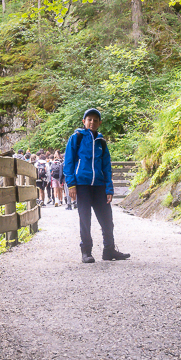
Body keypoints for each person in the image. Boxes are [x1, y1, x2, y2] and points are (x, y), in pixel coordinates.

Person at [64, 108, 129, 263]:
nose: (92, 122)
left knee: (107, 219)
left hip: (99, 185)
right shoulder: (76, 138)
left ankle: (109, 250)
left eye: (95, 120)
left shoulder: (101, 142)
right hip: (82, 185)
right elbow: (69, 162)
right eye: (89, 119)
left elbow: (106, 167)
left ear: (99, 123)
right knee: (85, 219)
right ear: (84, 121)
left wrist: (109, 188)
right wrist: (71, 184)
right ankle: (86, 251)